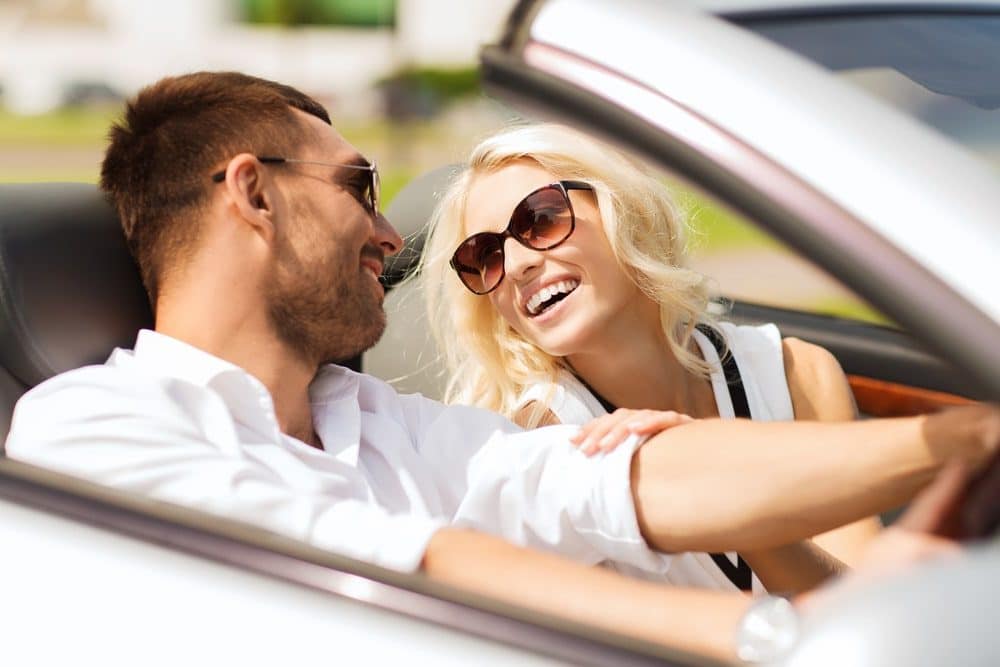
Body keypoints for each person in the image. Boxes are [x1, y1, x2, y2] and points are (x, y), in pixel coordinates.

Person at [4, 72, 998, 663]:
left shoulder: (379, 419)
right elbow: (397, 559)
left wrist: (959, 436)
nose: (388, 234)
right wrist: (780, 634)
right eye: (359, 186)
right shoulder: (88, 425)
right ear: (254, 195)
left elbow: (615, 479)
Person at [417, 122, 899, 589]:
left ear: (623, 209)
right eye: (486, 256)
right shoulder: (543, 449)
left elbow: (866, 608)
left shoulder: (799, 376)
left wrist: (726, 496)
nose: (517, 264)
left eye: (540, 220)